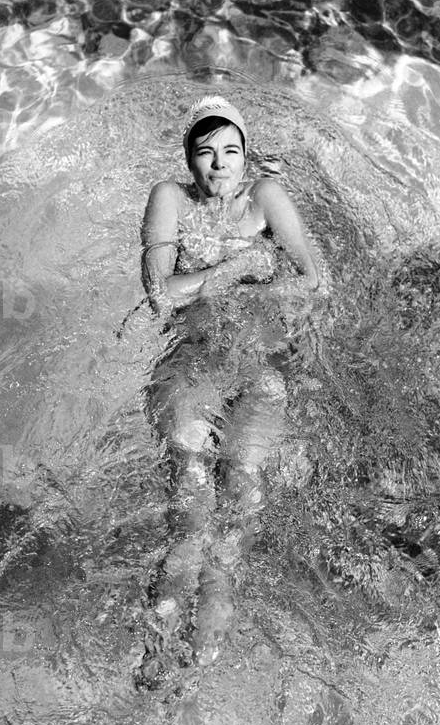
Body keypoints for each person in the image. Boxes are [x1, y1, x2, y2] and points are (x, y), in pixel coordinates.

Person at [138, 95, 324, 685]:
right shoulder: (170, 199)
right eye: (206, 152)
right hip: (192, 367)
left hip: (261, 367)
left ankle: (195, 673)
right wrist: (233, 270)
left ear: (247, 157)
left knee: (237, 515)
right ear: (188, 159)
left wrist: (231, 289)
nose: (219, 164)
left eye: (231, 151)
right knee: (192, 515)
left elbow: (313, 282)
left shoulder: (266, 197)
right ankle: (156, 658)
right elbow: (160, 296)